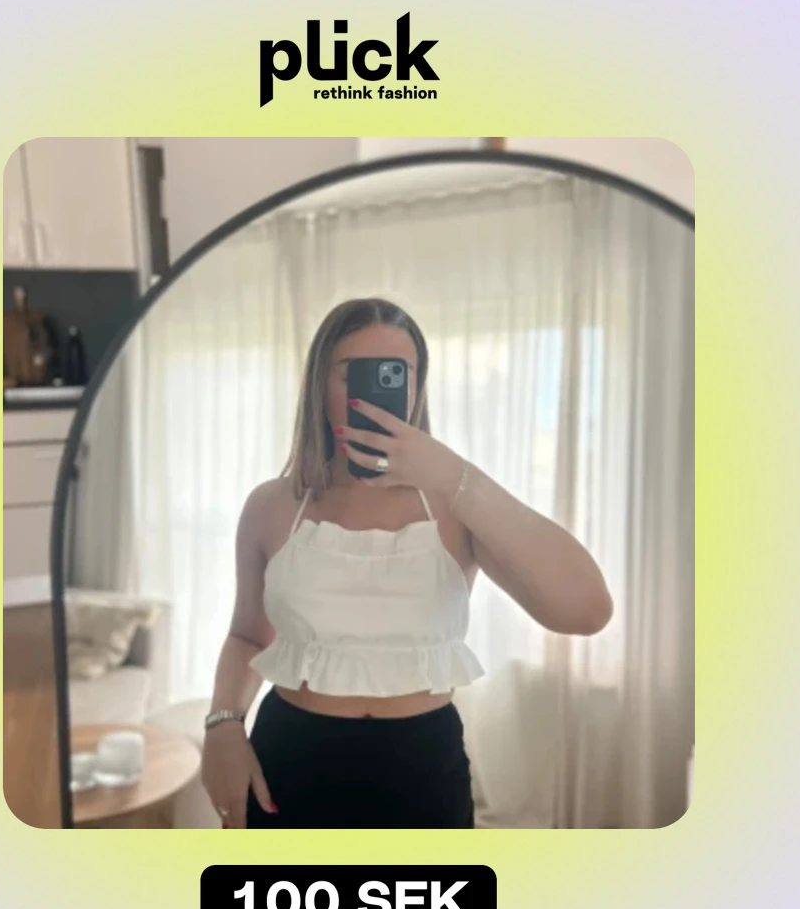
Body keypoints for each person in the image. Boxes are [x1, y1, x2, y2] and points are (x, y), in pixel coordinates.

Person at [200, 298, 613, 829]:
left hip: (424, 767)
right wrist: (223, 724)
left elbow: (587, 610)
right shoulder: (272, 505)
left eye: (397, 374)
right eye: (353, 373)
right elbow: (248, 637)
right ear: (319, 385)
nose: (374, 392)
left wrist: (456, 476)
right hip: (290, 761)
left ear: (418, 389)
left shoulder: (457, 506)